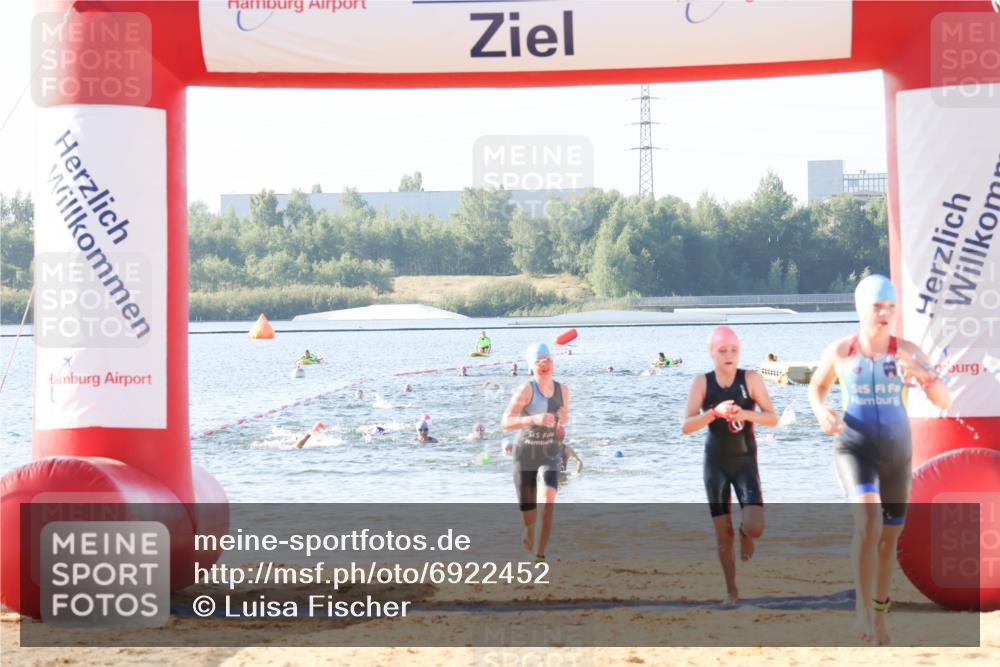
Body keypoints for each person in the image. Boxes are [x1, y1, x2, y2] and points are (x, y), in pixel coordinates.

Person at [809, 274, 950, 645]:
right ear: (861, 309)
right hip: (854, 448)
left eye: (891, 307)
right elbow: (817, 387)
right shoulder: (841, 351)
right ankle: (861, 610)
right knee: (868, 523)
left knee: (889, 540)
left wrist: (925, 376)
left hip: (897, 457)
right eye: (877, 307)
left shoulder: (908, 351)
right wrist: (821, 411)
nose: (885, 314)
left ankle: (880, 612)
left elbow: (944, 401)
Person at [682, 325, 778, 606]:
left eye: (733, 350)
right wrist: (714, 413)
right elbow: (686, 426)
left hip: (745, 462)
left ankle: (745, 532)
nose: (728, 355)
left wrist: (744, 412)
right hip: (715, 465)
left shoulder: (750, 379)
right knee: (722, 534)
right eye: (722, 350)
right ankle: (731, 590)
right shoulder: (702, 382)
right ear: (712, 353)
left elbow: (772, 418)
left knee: (756, 526)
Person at [502, 342, 570, 562]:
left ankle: (539, 557)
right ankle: (529, 529)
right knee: (529, 515)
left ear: (553, 362)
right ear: (531, 366)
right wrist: (534, 419)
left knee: (548, 499)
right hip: (525, 454)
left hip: (550, 452)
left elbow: (564, 418)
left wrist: (561, 418)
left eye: (548, 360)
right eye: (539, 362)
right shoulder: (526, 389)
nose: (544, 365)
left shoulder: (563, 389)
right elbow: (506, 422)